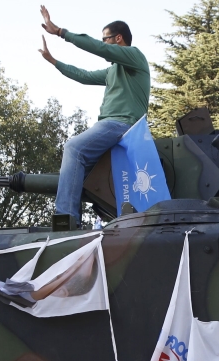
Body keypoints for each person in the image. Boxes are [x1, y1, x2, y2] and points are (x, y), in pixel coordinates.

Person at [37, 6, 151, 227]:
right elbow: (83, 76)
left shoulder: (135, 57)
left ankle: (67, 220)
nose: (103, 43)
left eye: (106, 39)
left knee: (74, 148)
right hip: (113, 125)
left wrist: (61, 32)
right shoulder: (112, 72)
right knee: (82, 174)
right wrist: (54, 62)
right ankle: (81, 221)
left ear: (118, 39)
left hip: (122, 124)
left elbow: (98, 49)